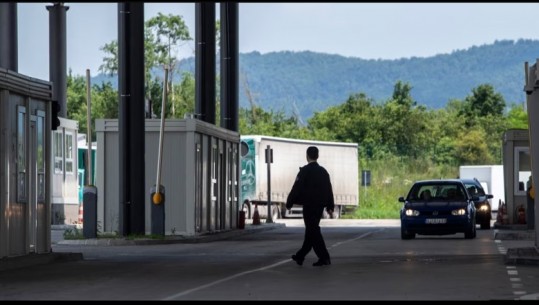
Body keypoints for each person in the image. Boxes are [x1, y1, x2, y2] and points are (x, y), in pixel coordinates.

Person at [286, 146, 335, 267]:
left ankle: (324, 257)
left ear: (307, 156)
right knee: (311, 231)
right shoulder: (323, 172)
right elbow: (329, 189)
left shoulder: (304, 171)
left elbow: (296, 188)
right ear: (317, 156)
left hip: (308, 205)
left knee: (313, 230)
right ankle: (300, 256)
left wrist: (289, 202)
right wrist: (330, 205)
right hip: (319, 207)